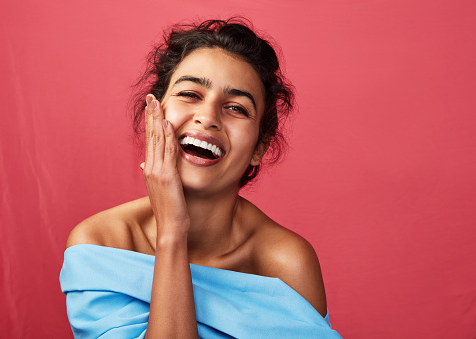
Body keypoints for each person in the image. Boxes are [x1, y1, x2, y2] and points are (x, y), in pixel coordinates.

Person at [60, 18, 342, 338]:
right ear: (156, 112)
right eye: (190, 94)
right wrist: (173, 233)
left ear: (258, 148)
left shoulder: (287, 264)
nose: (207, 118)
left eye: (236, 107)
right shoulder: (101, 244)